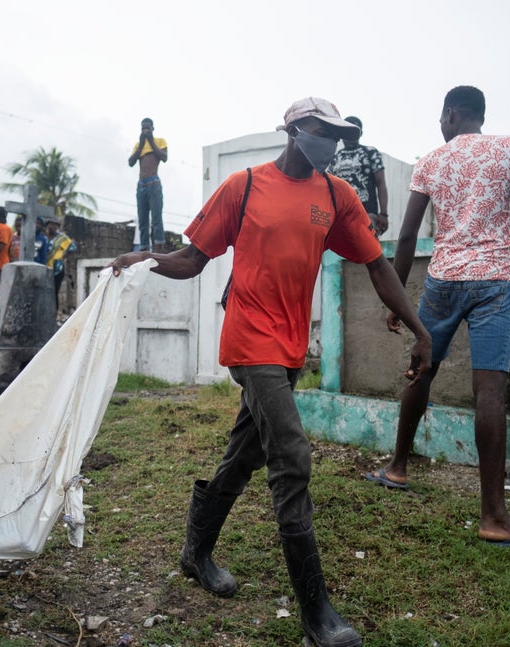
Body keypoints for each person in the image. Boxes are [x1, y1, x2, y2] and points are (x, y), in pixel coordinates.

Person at [110, 97, 432, 647]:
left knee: (248, 451)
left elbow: (377, 265)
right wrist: (147, 260)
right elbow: (194, 258)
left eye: (337, 134)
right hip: (249, 339)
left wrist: (420, 331)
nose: (330, 142)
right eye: (320, 130)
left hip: (289, 349)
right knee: (292, 454)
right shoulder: (244, 186)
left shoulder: (335, 196)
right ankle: (317, 615)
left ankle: (195, 550)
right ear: (292, 130)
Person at [367, 86, 510, 554]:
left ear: (453, 113)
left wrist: (397, 302)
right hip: (493, 280)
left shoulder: (432, 160)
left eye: (442, 115)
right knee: (489, 390)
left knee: (423, 369)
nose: (440, 123)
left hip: (442, 280)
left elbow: (409, 233)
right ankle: (494, 516)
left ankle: (397, 466)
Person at [326, 116, 390, 237]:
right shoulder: (335, 157)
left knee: (368, 249)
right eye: (347, 131)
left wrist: (384, 214)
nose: (350, 135)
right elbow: (329, 188)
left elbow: (381, 183)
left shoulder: (370, 152)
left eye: (354, 131)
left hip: (367, 213)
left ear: (361, 133)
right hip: (340, 215)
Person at [128, 117, 168, 251]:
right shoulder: (137, 145)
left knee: (156, 219)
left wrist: (150, 140)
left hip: (154, 183)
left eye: (148, 128)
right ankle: (144, 251)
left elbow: (164, 157)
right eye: (143, 128)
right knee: (142, 221)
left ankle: (158, 251)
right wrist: (141, 144)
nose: (145, 130)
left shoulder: (160, 141)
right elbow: (131, 162)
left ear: (152, 128)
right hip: (141, 186)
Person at [45, 216, 77, 310]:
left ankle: (53, 314)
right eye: (51, 224)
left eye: (55, 225)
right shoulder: (44, 237)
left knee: (54, 292)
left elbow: (72, 248)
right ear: (47, 225)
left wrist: (63, 256)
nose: (53, 227)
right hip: (45, 267)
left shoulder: (62, 237)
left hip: (57, 269)